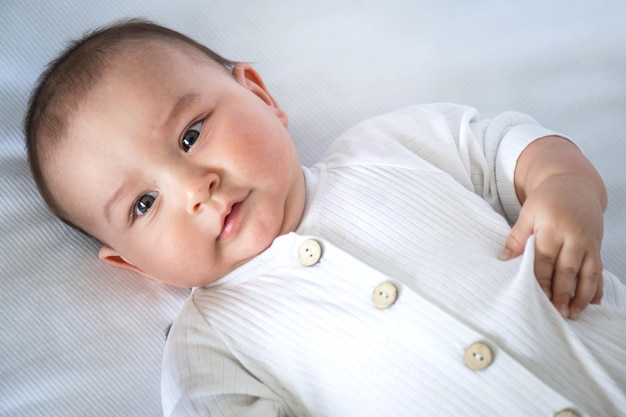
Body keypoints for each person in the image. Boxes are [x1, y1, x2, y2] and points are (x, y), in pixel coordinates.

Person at [24, 19, 625, 417]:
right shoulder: (208, 350)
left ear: (260, 96)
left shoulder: (391, 145)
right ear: (133, 264)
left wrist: (565, 186)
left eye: (190, 135)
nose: (193, 189)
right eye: (143, 204)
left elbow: (514, 149)